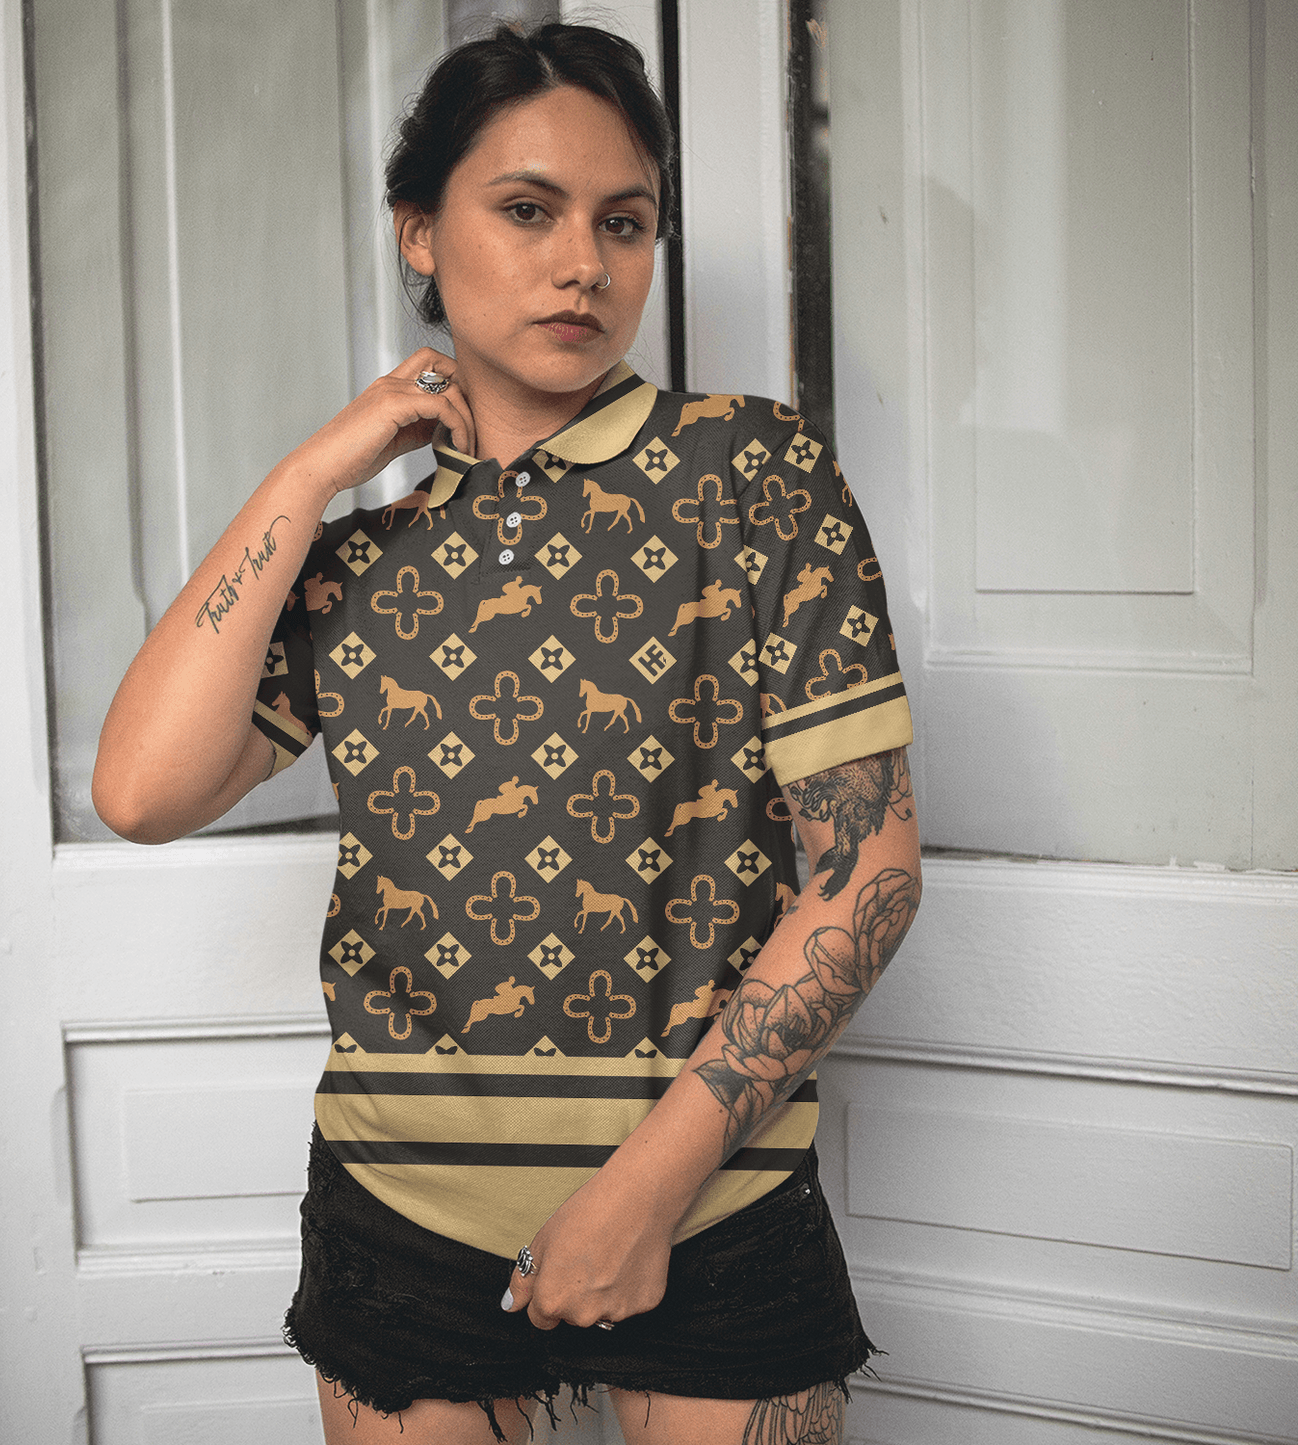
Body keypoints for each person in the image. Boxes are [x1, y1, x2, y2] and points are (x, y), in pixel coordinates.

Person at [93, 21, 920, 1445]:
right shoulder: (360, 559)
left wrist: (642, 1193)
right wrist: (312, 473)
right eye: (528, 211)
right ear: (419, 233)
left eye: (625, 222)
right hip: (398, 1205)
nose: (582, 264)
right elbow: (140, 791)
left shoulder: (756, 477)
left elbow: (869, 875)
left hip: (709, 1197)